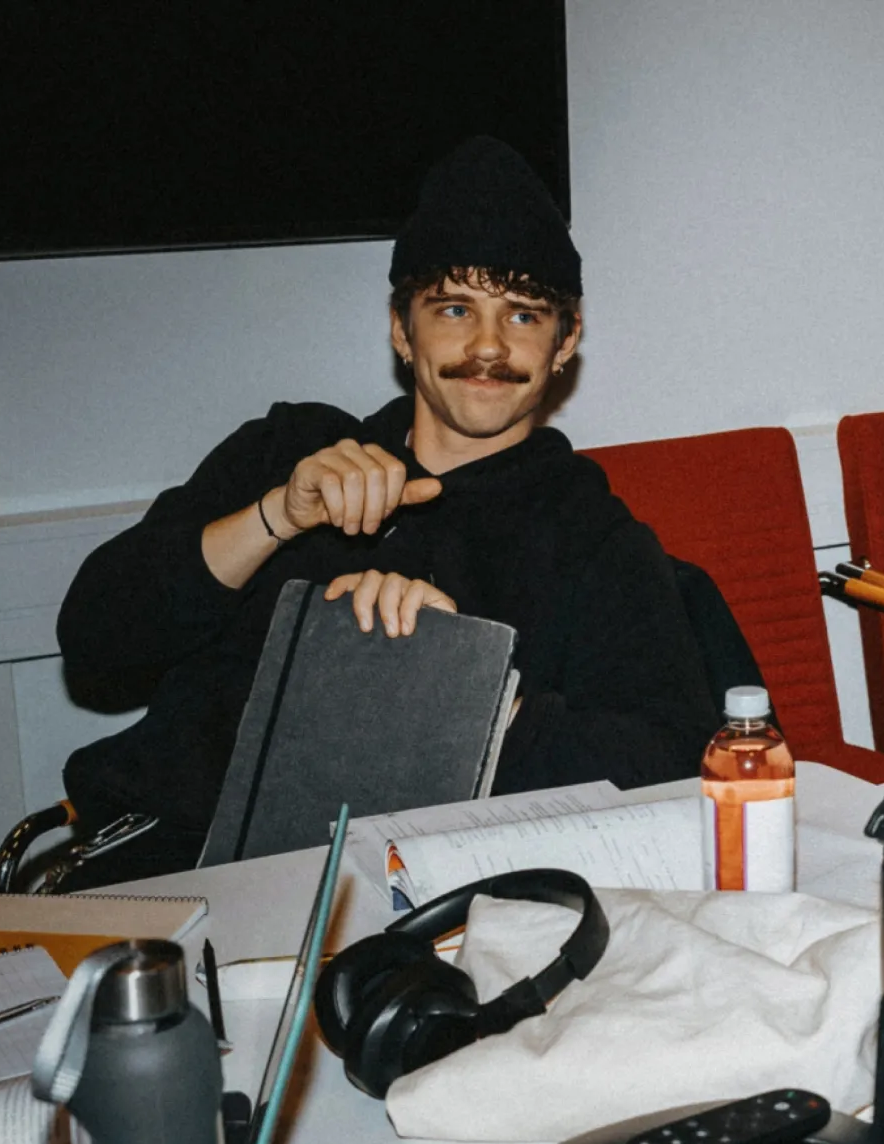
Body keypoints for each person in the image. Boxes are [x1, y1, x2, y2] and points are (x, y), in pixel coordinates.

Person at [53, 137, 719, 888]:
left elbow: (676, 762)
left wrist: (465, 688)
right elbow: (95, 642)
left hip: (425, 906)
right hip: (171, 873)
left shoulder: (590, 536)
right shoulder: (286, 451)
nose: (489, 347)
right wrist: (274, 517)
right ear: (403, 330)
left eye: (525, 316)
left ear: (565, 343)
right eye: (455, 308)